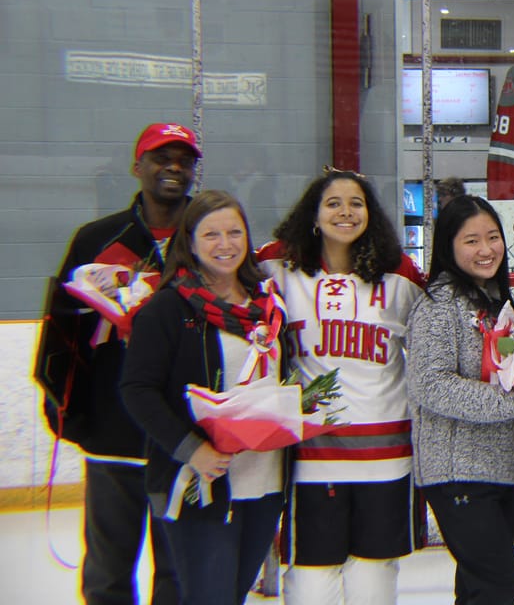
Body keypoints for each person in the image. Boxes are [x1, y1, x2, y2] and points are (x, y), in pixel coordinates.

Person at [36, 122, 200, 605]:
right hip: (112, 431)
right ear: (137, 167)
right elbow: (62, 331)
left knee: (178, 570)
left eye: (184, 159)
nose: (173, 167)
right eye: (160, 157)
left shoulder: (210, 235)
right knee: (107, 571)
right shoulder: (97, 239)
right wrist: (65, 410)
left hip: (185, 431)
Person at [258, 168, 426, 605]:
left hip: (387, 456)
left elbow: (435, 342)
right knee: (311, 580)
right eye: (333, 203)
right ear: (313, 215)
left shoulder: (399, 276)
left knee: (373, 577)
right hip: (313, 456)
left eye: (357, 203)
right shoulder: (277, 267)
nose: (346, 212)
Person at [120, 190, 288, 605]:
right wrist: (191, 449)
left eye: (235, 232)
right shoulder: (167, 308)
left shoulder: (267, 305)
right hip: (200, 482)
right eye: (211, 234)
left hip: (264, 483)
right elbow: (137, 390)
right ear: (190, 241)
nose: (225, 244)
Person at [406, 195, 514, 604]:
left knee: (476, 587)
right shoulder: (438, 305)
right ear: (448, 247)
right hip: (457, 471)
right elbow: (430, 386)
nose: (486, 249)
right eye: (471, 240)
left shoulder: (495, 301)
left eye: (492, 237)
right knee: (499, 583)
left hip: (498, 469)